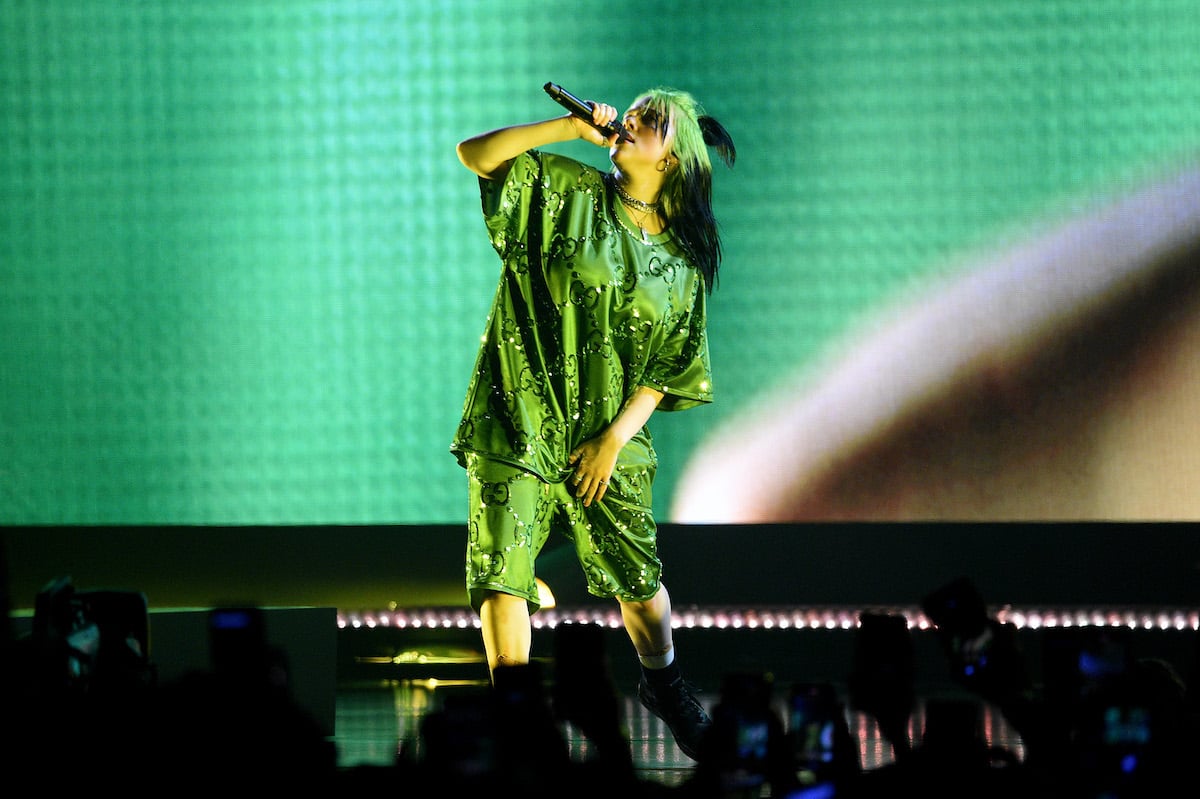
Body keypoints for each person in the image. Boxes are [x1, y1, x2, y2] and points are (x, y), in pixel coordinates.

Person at [450, 85, 736, 761]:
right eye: (635, 110)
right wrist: (564, 128)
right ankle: (516, 711)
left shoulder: (683, 265)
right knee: (502, 570)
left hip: (607, 438)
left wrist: (613, 440)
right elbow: (477, 156)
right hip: (519, 410)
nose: (633, 119)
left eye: (653, 121)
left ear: (673, 161)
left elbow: (668, 366)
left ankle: (664, 684)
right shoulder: (566, 190)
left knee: (639, 584)